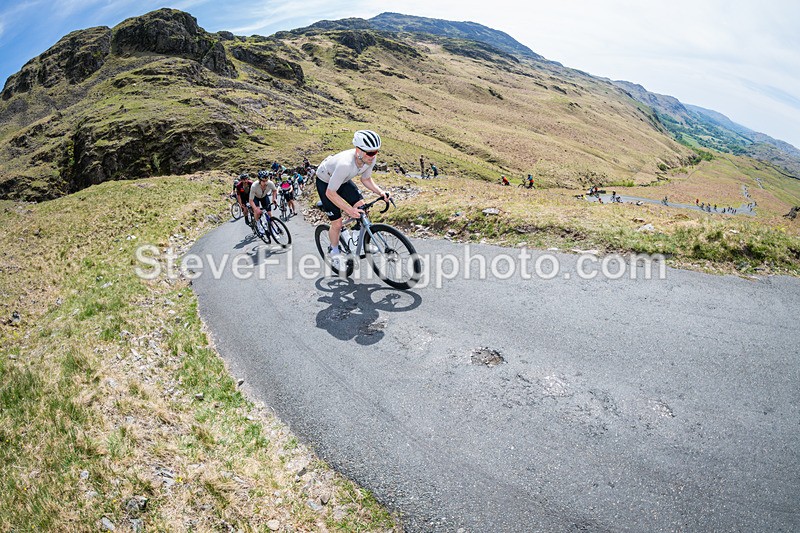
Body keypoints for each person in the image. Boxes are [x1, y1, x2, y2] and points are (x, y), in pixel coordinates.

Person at [316, 130, 390, 269]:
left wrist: (380, 192)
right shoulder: (345, 164)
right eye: (370, 153)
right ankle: (334, 251)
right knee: (337, 224)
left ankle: (356, 241)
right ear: (359, 151)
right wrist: (349, 210)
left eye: (376, 152)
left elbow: (366, 179)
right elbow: (330, 193)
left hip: (343, 181)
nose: (374, 156)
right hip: (326, 183)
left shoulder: (370, 159)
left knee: (363, 208)